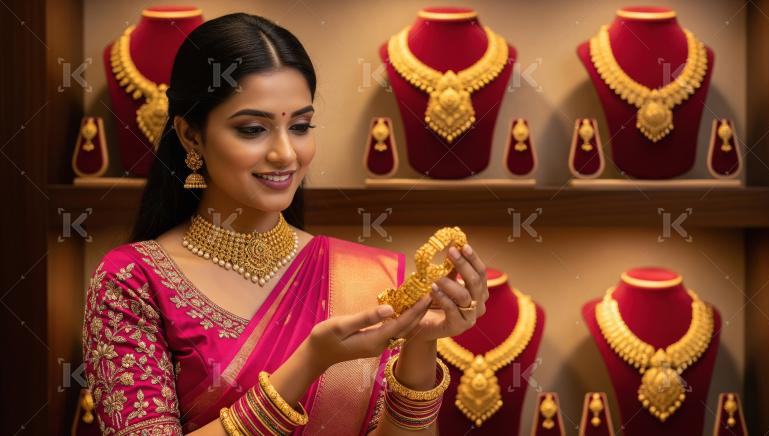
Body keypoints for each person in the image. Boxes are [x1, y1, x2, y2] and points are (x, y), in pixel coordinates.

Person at [82, 13, 488, 435]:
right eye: (253, 129)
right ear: (191, 135)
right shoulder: (133, 282)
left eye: (299, 126)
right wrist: (311, 361)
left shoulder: (368, 278)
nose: (286, 154)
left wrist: (421, 341)